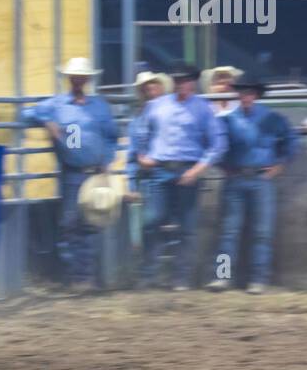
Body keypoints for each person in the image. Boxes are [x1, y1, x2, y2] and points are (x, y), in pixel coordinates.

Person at [21, 57, 118, 289]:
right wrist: (46, 121)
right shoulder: (56, 104)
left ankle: (83, 276)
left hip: (95, 172)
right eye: (74, 77)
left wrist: (107, 160)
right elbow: (25, 114)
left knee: (88, 223)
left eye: (81, 77)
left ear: (87, 79)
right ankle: (78, 275)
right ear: (69, 79)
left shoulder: (99, 106)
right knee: (71, 223)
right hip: (73, 171)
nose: (77, 80)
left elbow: (112, 135)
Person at [132, 62, 225, 290]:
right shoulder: (156, 106)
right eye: (178, 79)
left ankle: (180, 277)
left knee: (187, 226)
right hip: (160, 168)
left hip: (188, 170)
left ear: (192, 82)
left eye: (185, 79)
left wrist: (197, 169)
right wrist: (142, 156)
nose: (181, 83)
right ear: (172, 82)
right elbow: (141, 133)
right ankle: (149, 274)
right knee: (151, 221)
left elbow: (218, 143)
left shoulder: (203, 108)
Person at [207, 74, 296, 294]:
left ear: (255, 95)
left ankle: (257, 279)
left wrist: (279, 166)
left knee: (261, 232)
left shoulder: (272, 118)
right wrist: (223, 166)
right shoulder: (227, 119)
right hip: (238, 177)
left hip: (259, 178)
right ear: (238, 94)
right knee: (230, 231)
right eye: (243, 92)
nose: (246, 96)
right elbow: (216, 146)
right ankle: (223, 277)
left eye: (250, 93)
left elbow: (291, 141)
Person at [125, 70, 172, 204]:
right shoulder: (138, 119)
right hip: (150, 177)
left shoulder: (173, 112)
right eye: (146, 90)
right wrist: (132, 185)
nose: (151, 93)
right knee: (153, 218)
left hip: (172, 172)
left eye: (153, 88)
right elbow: (133, 154)